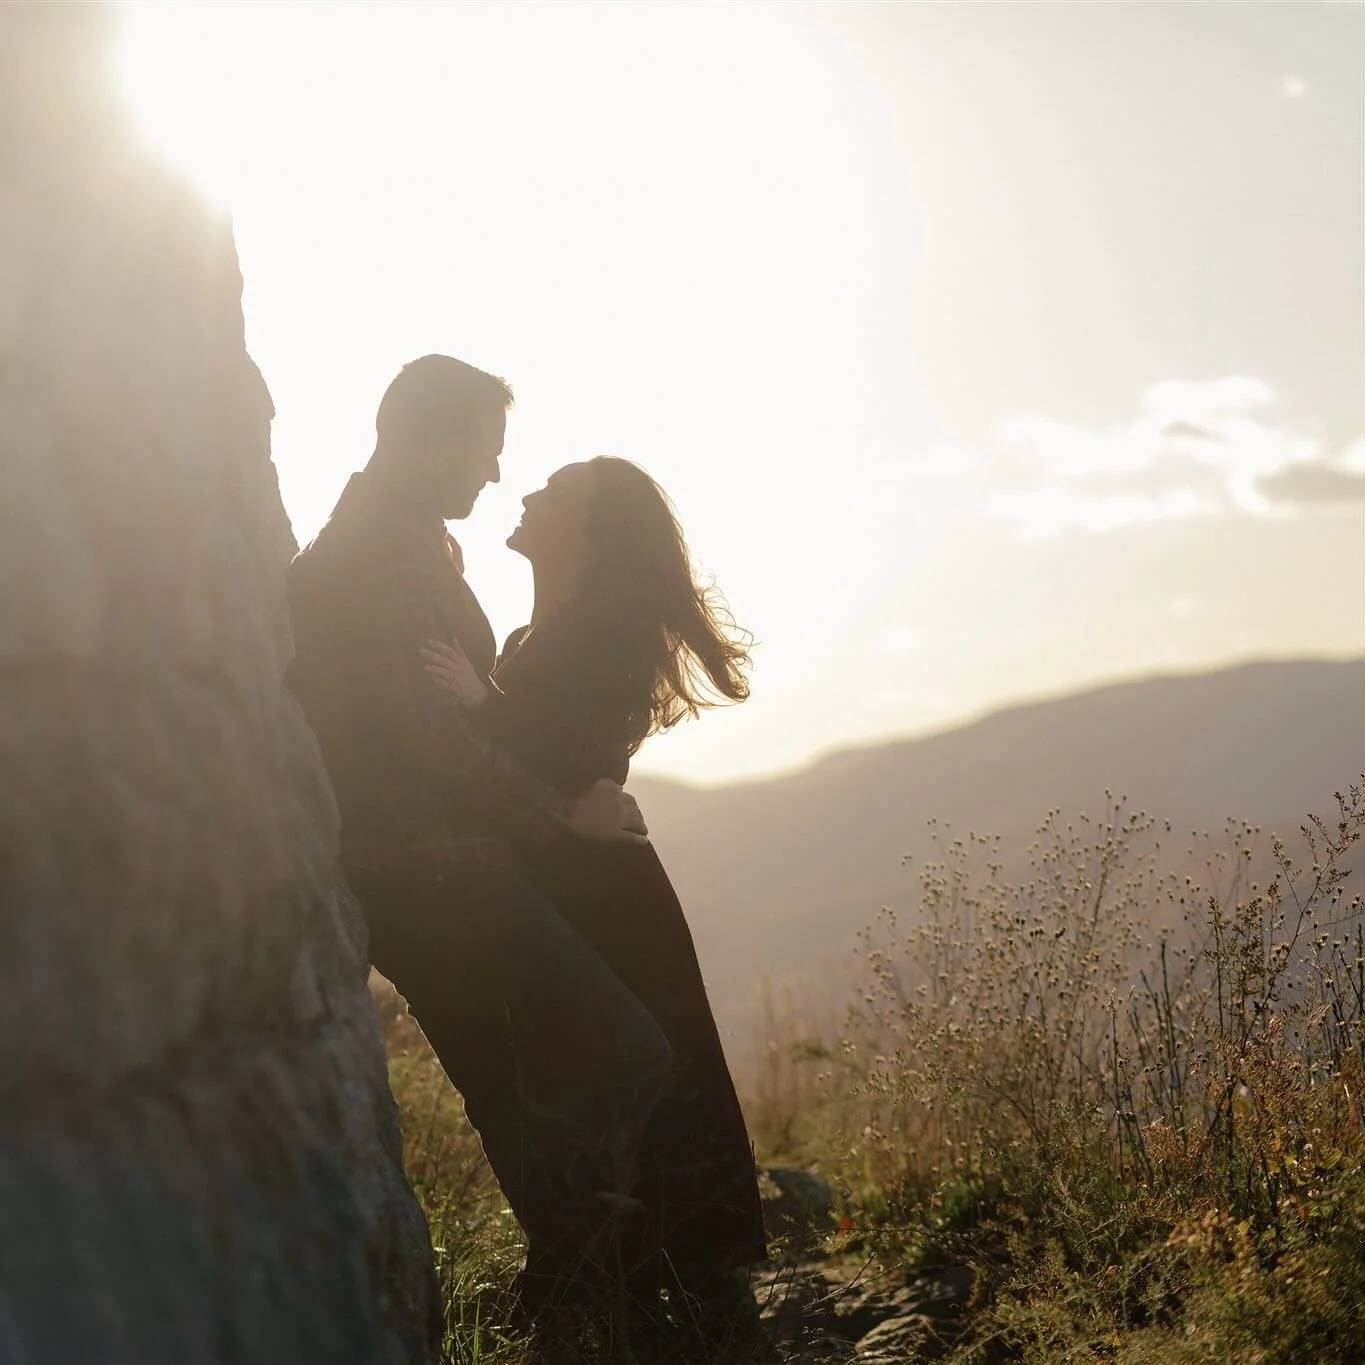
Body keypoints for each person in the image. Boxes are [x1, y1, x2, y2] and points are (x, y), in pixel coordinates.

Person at [283, 356, 673, 1364]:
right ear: (424, 439)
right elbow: (434, 743)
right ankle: (574, 1284)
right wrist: (562, 821)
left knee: (509, 1088)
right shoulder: (383, 558)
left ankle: (573, 1302)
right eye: (485, 452)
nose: (495, 476)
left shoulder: (411, 542)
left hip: (430, 872)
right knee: (627, 1051)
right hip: (434, 873)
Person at [419, 456, 770, 1358]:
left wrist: (480, 703)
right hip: (574, 880)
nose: (531, 494)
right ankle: (620, 1272)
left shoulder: (600, 635)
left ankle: (652, 1280)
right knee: (595, 1066)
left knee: (632, 1067)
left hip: (605, 893)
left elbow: (567, 752)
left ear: (590, 533)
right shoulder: (547, 630)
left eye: (557, 492)